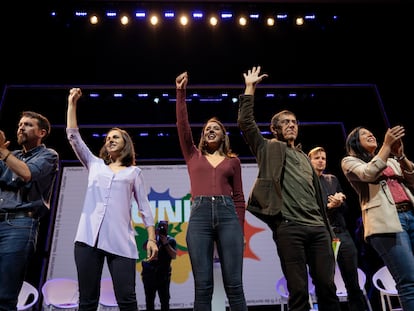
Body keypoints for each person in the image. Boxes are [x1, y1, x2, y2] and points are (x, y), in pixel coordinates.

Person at [237, 66, 341, 311]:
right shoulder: (269, 148)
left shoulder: (306, 157)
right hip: (289, 227)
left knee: (328, 288)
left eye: (294, 122)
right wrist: (250, 87)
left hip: (319, 228)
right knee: (298, 292)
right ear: (274, 129)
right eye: (285, 123)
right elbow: (245, 122)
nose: (291, 125)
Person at [67, 88, 158, 311]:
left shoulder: (134, 173)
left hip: (120, 242)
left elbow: (145, 208)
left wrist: (152, 239)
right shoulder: (95, 164)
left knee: (127, 300)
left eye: (115, 137)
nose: (110, 140)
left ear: (126, 143)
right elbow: (73, 136)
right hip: (88, 240)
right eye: (107, 138)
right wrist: (72, 103)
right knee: (87, 301)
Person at [175, 72, 247, 311]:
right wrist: (181, 93)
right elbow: (183, 126)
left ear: (223, 135)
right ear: (203, 135)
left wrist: (240, 228)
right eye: (207, 128)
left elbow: (238, 198)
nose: (210, 130)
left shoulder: (232, 162)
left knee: (235, 285)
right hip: (200, 216)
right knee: (203, 286)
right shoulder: (193, 155)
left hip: (228, 217)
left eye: (216, 128)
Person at [341, 125, 414, 310]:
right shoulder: (350, 161)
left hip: (410, 214)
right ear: (355, 142)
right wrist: (387, 145)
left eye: (371, 132)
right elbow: (368, 173)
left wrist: (400, 156)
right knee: (409, 282)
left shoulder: (390, 161)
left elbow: (412, 179)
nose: (371, 134)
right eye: (365, 134)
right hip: (386, 224)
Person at [0, 111, 59, 310]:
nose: (20, 127)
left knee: (5, 294)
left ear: (41, 132)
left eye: (27, 124)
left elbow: (26, 173)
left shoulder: (48, 155)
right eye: (19, 124)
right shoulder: (11, 155)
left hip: (19, 225)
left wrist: (3, 153)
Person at [308, 146, 367, 311]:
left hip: (341, 233)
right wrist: (329, 206)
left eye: (323, 158)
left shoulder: (331, 179)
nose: (321, 161)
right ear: (309, 160)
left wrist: (340, 201)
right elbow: (310, 210)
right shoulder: (306, 182)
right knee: (325, 283)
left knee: (352, 281)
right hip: (322, 236)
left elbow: (346, 208)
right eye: (317, 158)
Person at [141, 220, 177, 311]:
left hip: (163, 275)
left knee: (164, 301)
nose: (163, 229)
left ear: (167, 228)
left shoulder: (171, 240)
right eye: (161, 227)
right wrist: (152, 237)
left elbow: (173, 255)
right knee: (149, 300)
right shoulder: (153, 240)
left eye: (165, 227)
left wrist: (165, 243)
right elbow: (144, 247)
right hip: (150, 275)